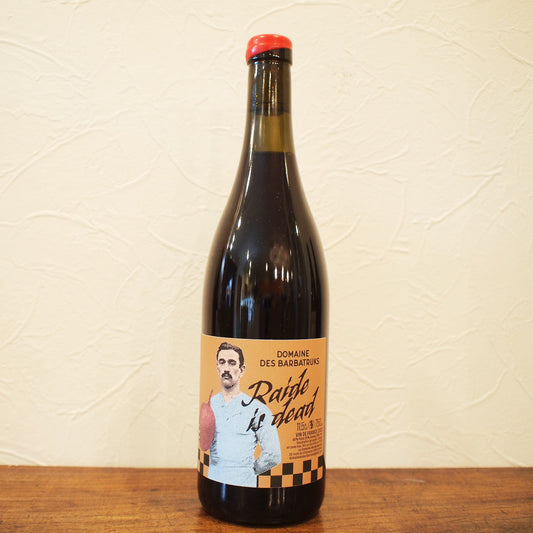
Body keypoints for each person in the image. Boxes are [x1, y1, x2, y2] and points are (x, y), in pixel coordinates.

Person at [208, 341, 281, 487]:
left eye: (232, 363)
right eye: (222, 362)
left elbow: (273, 454)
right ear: (217, 367)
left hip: (244, 485)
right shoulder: (211, 404)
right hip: (213, 482)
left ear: (242, 370)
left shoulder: (257, 409)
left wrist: (248, 471)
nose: (226, 368)